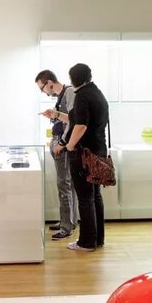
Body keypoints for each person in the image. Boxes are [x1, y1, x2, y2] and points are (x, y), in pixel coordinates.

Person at [59, 63, 110, 252]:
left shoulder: (81, 96)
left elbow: (80, 126)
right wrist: (57, 115)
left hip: (83, 153)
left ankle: (86, 242)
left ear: (74, 78)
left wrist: (69, 145)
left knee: (85, 197)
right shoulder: (97, 93)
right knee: (95, 196)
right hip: (98, 150)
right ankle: (97, 239)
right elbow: (77, 120)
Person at [36, 69, 77, 240]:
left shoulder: (68, 92)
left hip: (62, 144)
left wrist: (62, 143)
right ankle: (68, 221)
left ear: (49, 83)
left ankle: (67, 226)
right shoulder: (61, 96)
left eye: (42, 88)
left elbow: (74, 120)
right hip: (59, 142)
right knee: (67, 184)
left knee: (64, 184)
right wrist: (53, 116)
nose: (43, 92)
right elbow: (65, 119)